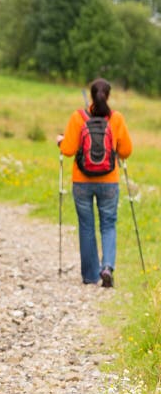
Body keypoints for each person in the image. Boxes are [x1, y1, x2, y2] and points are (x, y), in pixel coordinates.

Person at [56, 78, 132, 287]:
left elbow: (68, 150)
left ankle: (90, 275)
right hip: (109, 181)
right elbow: (126, 151)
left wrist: (61, 141)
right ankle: (107, 267)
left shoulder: (77, 117)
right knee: (108, 224)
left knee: (86, 226)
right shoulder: (116, 118)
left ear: (91, 96)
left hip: (82, 181)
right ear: (108, 96)